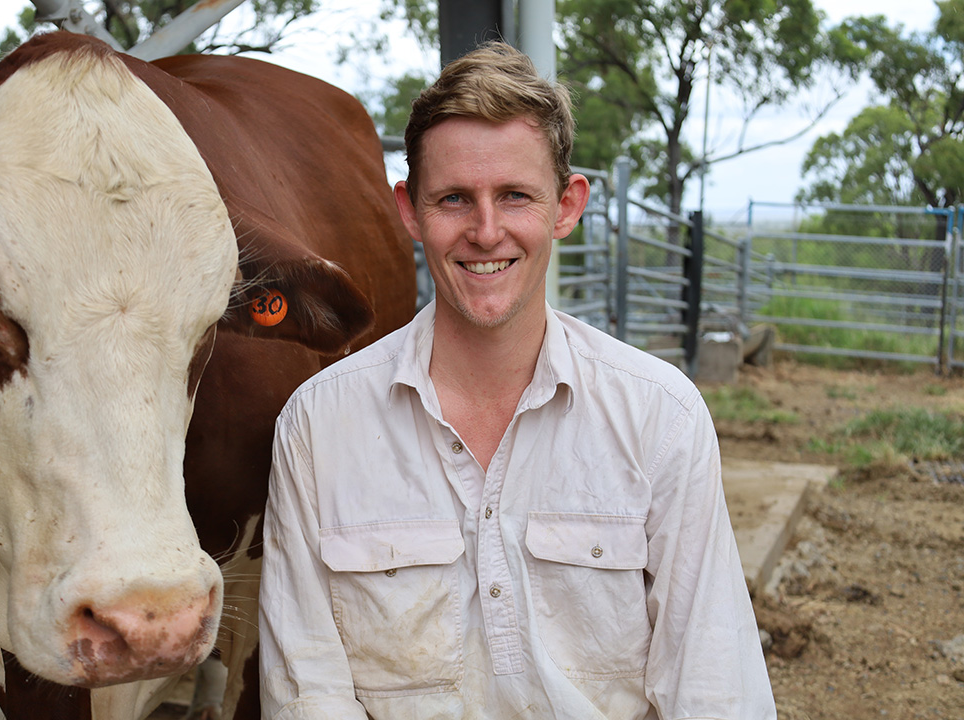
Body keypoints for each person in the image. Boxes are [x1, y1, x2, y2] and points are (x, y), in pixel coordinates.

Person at [258, 41, 775, 719]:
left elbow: (713, 687)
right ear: (409, 210)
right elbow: (308, 694)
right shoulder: (318, 429)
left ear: (566, 205)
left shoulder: (659, 417)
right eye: (454, 199)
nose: (486, 229)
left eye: (514, 196)